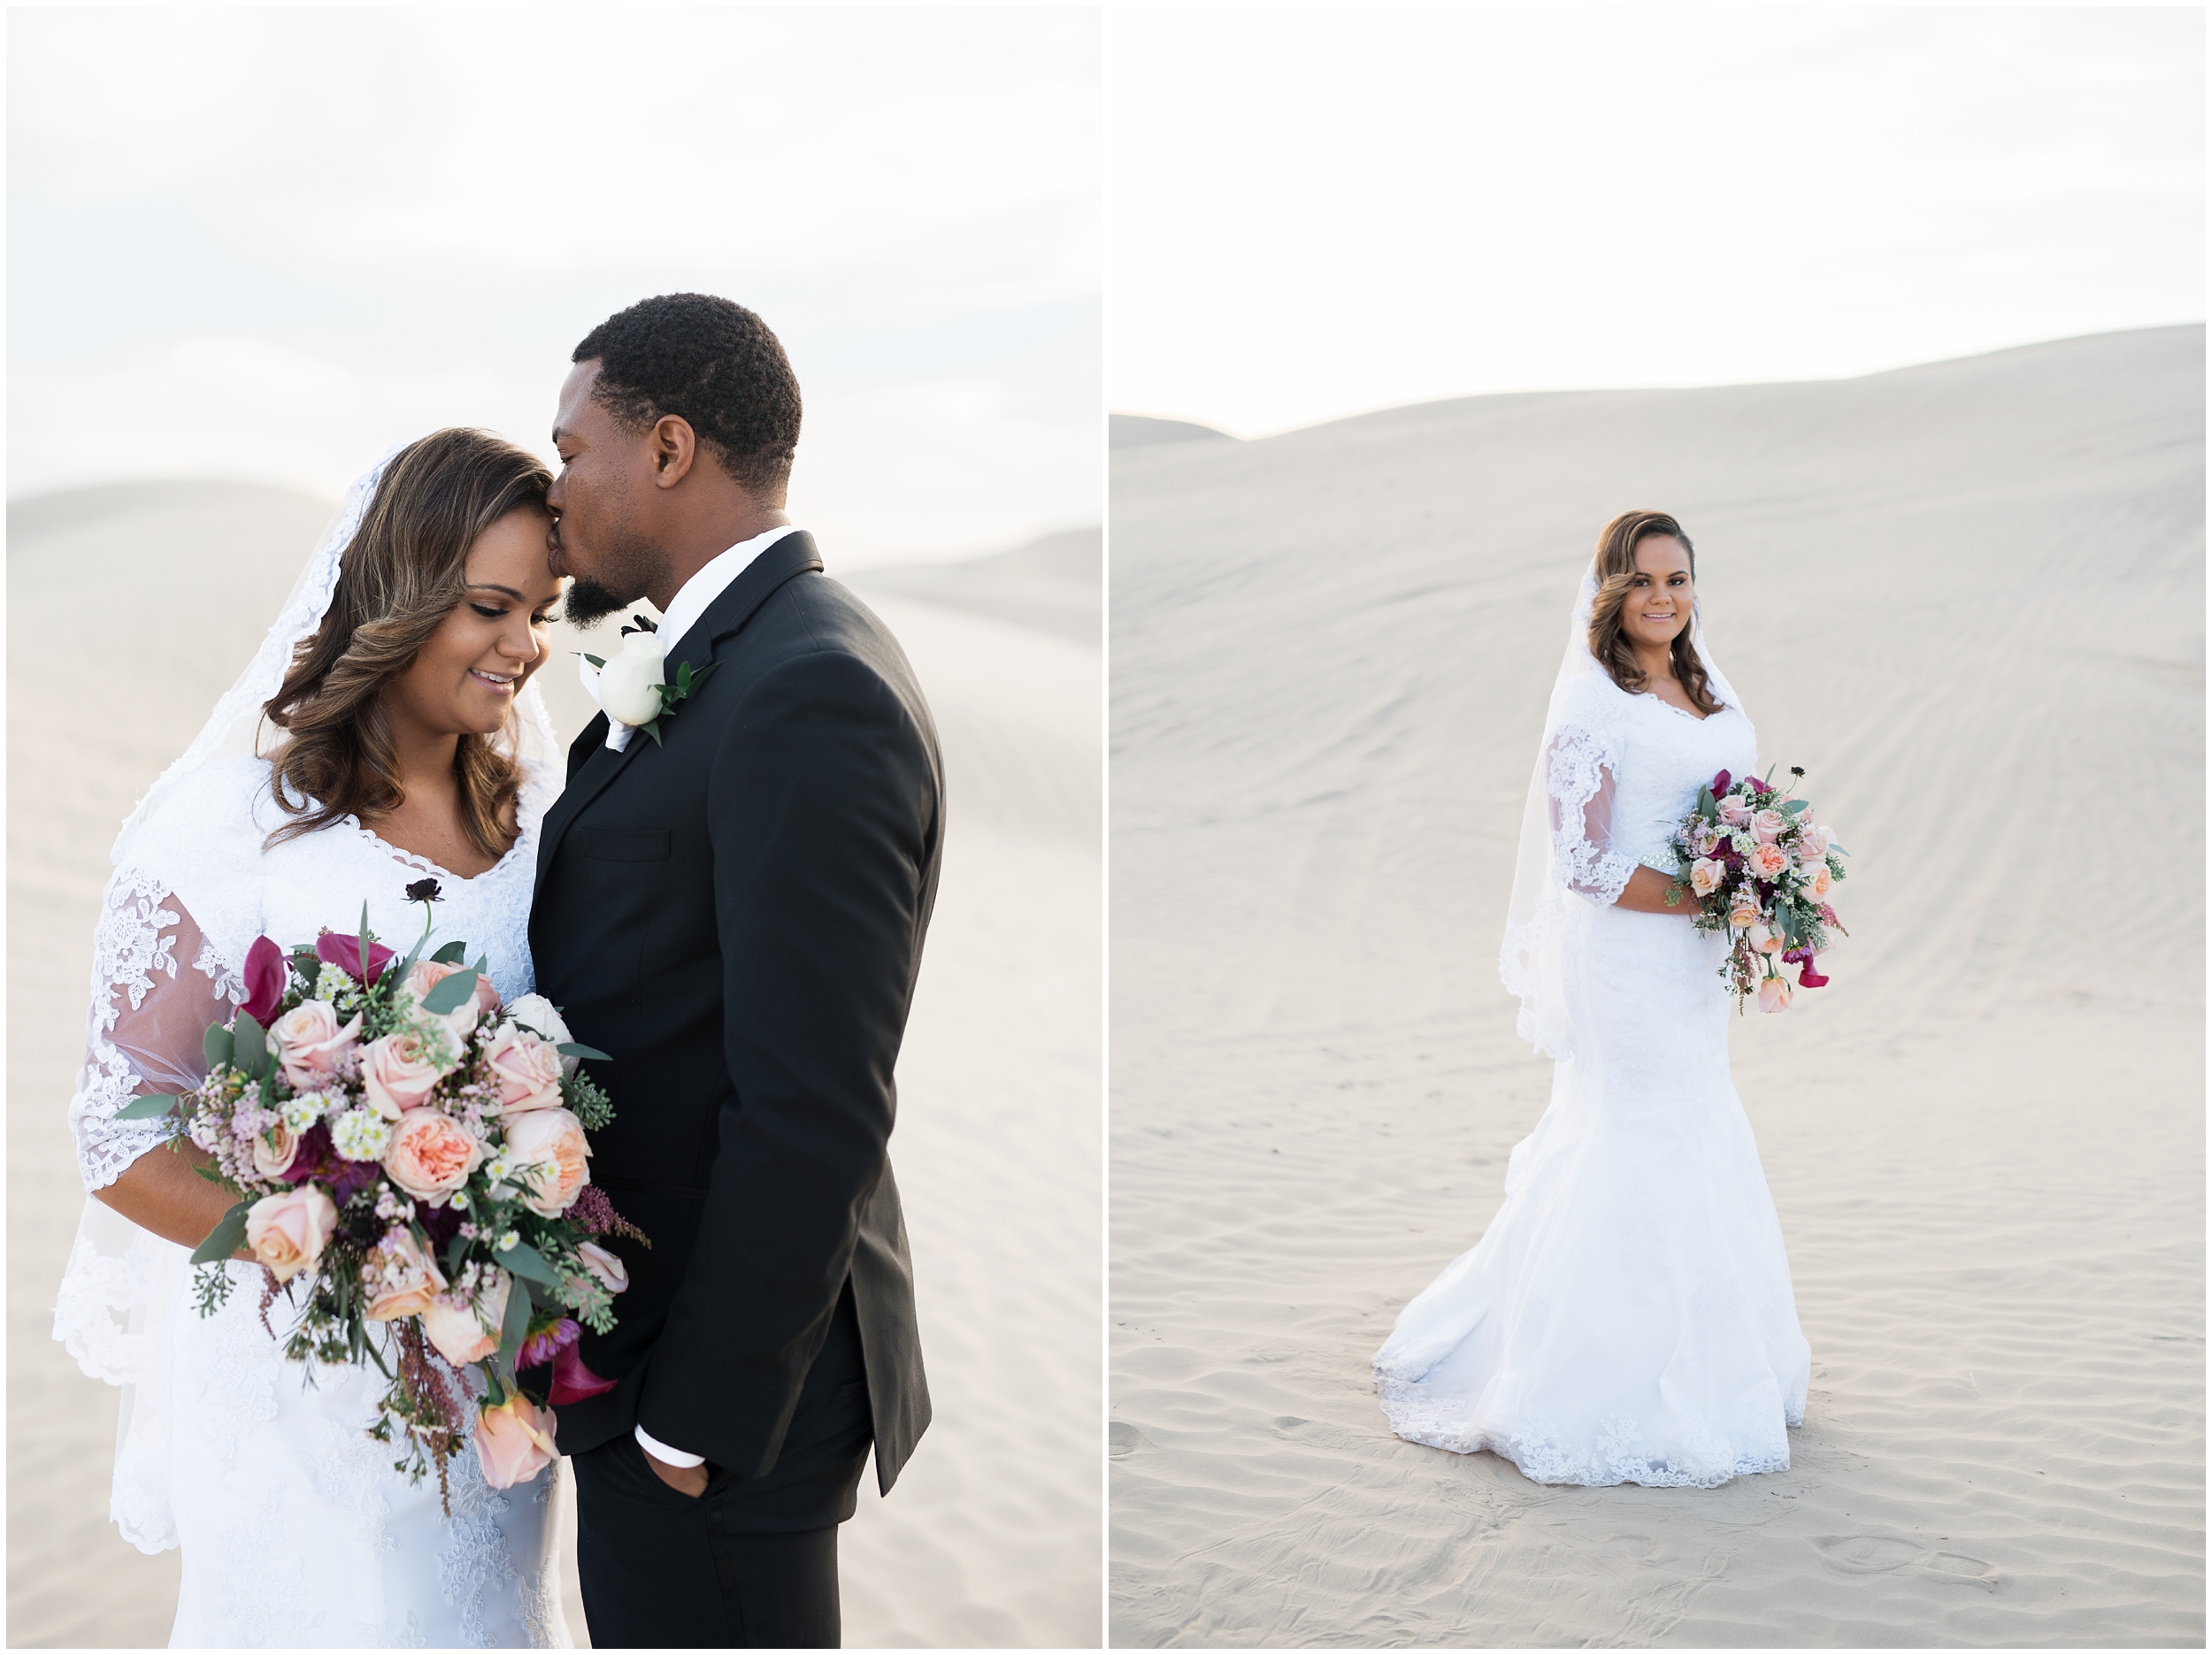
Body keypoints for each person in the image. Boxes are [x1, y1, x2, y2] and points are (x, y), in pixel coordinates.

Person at [52, 429, 576, 1646]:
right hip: (301, 1379)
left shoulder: (548, 822)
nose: (524, 646)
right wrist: (337, 1251)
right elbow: (118, 1130)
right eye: (489, 606)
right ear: (397, 601)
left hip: (487, 1375)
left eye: (539, 610)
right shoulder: (231, 829)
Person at [530, 293, 941, 1648]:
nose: (557, 485)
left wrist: (688, 1413)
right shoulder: (730, 660)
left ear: (667, 449)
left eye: (573, 445)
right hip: (656, 1355)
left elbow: (816, 1100)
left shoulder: (806, 686)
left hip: (712, 1392)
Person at [1371, 510, 1810, 1488]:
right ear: (1611, 590)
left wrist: (1760, 876)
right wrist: (1718, 889)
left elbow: (1732, 801)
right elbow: (1583, 863)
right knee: (1640, 1131)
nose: (1665, 597)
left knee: (1699, 1124)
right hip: (1626, 959)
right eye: (1646, 580)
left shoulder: (1707, 681)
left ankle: (1714, 1362)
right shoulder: (1592, 706)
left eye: (1680, 579)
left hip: (1693, 963)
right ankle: (1594, 1379)